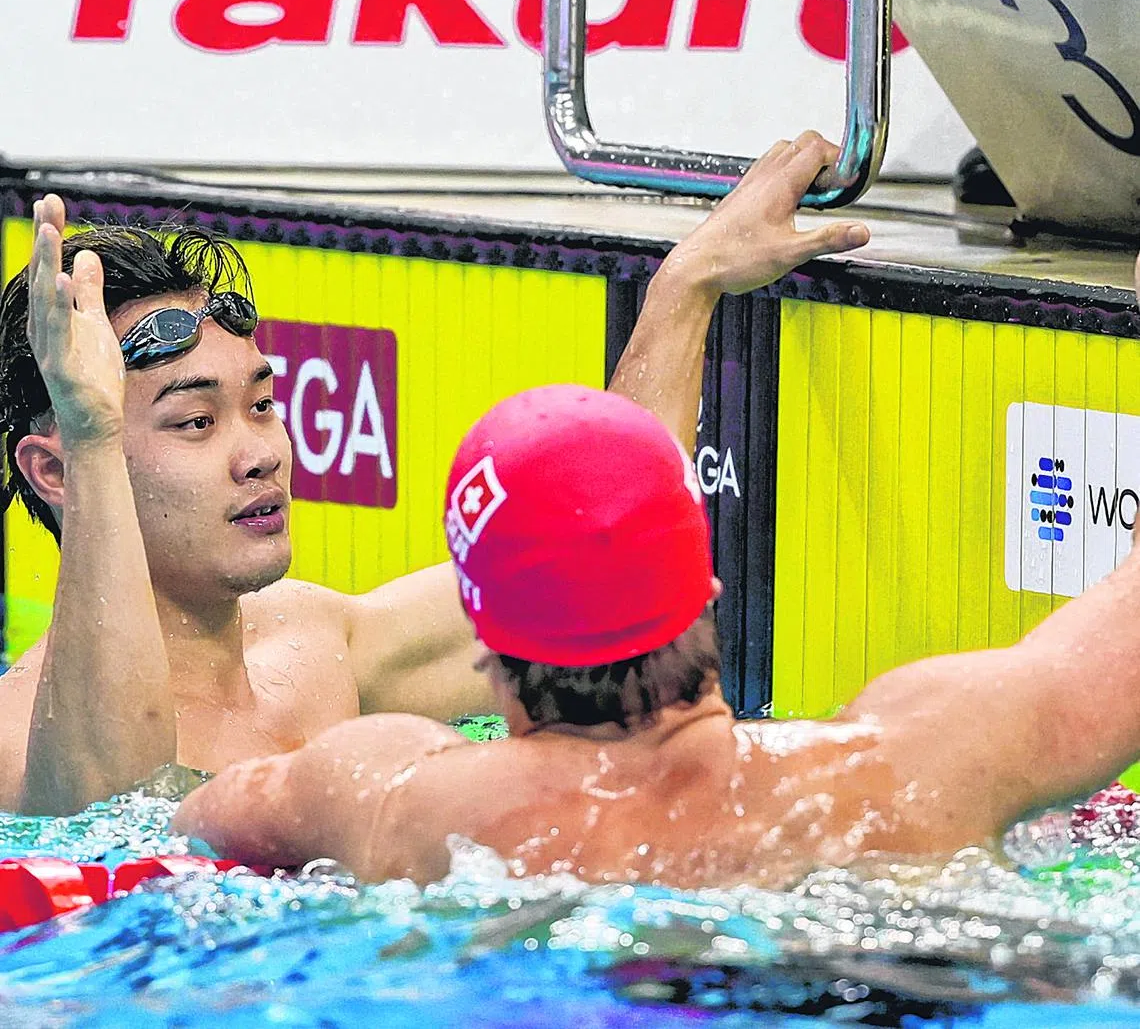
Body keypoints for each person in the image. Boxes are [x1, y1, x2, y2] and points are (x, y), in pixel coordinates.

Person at [0, 132, 869, 816]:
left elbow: (584, 563)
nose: (258, 452)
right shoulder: (17, 736)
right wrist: (93, 429)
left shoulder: (315, 645)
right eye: (196, 422)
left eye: (262, 405)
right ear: (58, 472)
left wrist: (686, 286)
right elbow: (102, 810)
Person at [175, 374, 1140, 889]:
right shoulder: (928, 756)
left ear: (484, 637)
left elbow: (186, 825)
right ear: (707, 586)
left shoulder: (388, 797)